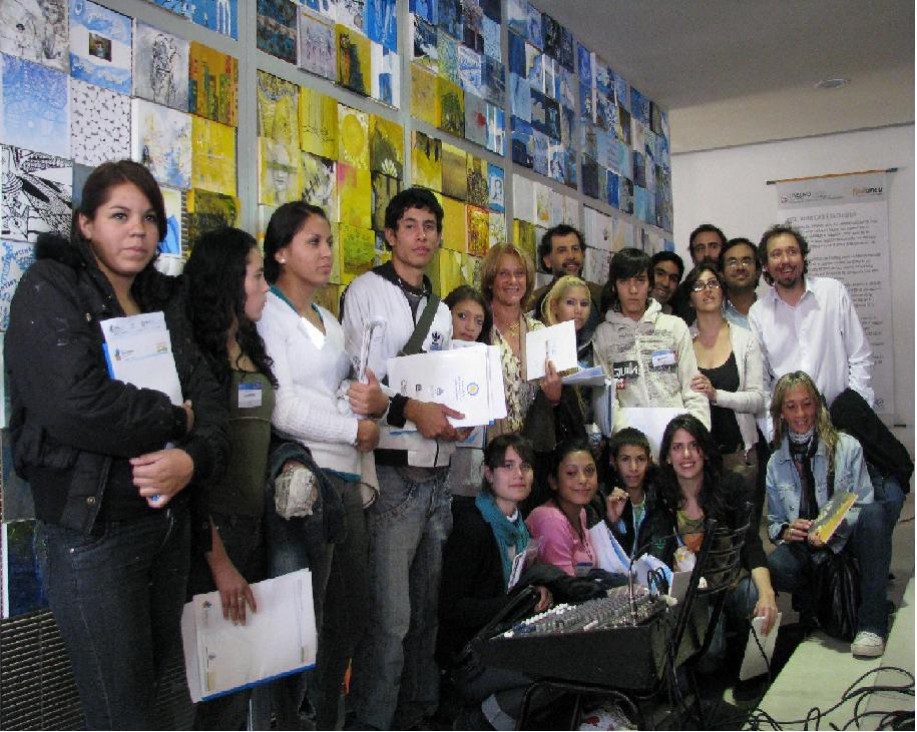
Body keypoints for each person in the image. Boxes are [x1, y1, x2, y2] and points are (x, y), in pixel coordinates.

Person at [5, 160, 228, 729]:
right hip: (95, 534)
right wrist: (175, 422)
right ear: (85, 224)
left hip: (168, 530)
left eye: (149, 218)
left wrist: (191, 457)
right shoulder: (50, 287)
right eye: (119, 216)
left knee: (159, 698)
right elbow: (76, 405)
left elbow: (213, 407)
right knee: (120, 713)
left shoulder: (162, 302)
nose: (138, 230)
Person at [340, 187, 464, 731]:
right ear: (390, 235)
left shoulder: (439, 308)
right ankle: (373, 721)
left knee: (425, 617)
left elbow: (439, 381)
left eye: (429, 227)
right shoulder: (366, 291)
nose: (420, 235)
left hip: (439, 474)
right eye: (409, 225)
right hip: (392, 476)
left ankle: (417, 715)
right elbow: (356, 382)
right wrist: (413, 409)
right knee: (389, 621)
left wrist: (458, 411)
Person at [257, 202, 384, 729]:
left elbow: (336, 392)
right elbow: (282, 407)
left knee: (345, 621)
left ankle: (327, 720)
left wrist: (367, 401)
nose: (327, 252)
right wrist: (353, 428)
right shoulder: (269, 313)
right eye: (313, 242)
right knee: (298, 627)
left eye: (329, 241)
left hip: (348, 478)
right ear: (281, 251)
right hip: (305, 484)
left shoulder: (329, 321)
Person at [184, 227, 275, 730]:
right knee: (211, 687)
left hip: (254, 526)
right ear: (227, 280)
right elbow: (193, 473)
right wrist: (218, 561)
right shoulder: (199, 353)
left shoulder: (249, 341)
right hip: (211, 536)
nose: (265, 287)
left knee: (239, 678)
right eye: (258, 275)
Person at [765, 371, 891, 657]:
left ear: (818, 406)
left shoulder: (848, 447)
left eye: (807, 404)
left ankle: (872, 623)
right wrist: (786, 531)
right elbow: (773, 522)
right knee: (776, 564)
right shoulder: (775, 463)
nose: (801, 414)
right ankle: (823, 609)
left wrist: (834, 528)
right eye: (791, 406)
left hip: (844, 541)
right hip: (806, 548)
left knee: (875, 515)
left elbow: (863, 502)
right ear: (781, 412)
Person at [438, 434, 553, 730]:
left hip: (503, 644)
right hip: (470, 658)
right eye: (507, 466)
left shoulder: (519, 526)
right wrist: (514, 604)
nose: (519, 474)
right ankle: (474, 721)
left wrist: (535, 594)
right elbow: (452, 609)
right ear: (488, 473)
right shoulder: (473, 527)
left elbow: (516, 589)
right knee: (554, 672)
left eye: (525, 466)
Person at [651, 414, 778, 665]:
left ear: (705, 452)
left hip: (730, 586)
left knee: (754, 595)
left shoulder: (730, 486)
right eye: (677, 447)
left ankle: (750, 663)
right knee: (710, 654)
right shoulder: (662, 497)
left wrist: (767, 593)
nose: (686, 455)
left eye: (694, 446)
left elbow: (751, 544)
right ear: (667, 456)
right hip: (694, 598)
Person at [749, 224, 874, 431]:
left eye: (792, 251)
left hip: (843, 419)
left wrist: (854, 409)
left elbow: (860, 357)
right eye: (776, 254)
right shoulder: (758, 313)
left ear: (802, 256)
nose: (786, 260)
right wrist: (774, 432)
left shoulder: (833, 292)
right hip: (792, 426)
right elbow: (759, 381)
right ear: (765, 264)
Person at [482, 242, 567, 511]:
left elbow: (556, 402)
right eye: (503, 274)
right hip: (489, 454)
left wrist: (554, 397)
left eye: (519, 274)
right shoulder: (479, 330)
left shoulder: (540, 332)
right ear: (490, 280)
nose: (512, 281)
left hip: (531, 455)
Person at [592, 248, 710, 433]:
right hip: (630, 443)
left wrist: (696, 434)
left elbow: (693, 388)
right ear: (614, 286)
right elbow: (605, 398)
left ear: (650, 284)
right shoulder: (603, 334)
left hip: (678, 438)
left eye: (640, 281)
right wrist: (625, 438)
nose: (632, 290)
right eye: (624, 281)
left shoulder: (674, 327)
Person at [686, 264, 765, 508]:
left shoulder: (745, 339)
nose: (707, 290)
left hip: (739, 454)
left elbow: (758, 399)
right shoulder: (682, 340)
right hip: (696, 458)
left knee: (743, 534)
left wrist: (716, 395)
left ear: (722, 291)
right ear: (690, 299)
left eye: (713, 284)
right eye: (698, 286)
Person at [443, 285, 491, 505]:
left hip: (473, 465)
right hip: (438, 462)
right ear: (446, 315)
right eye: (462, 316)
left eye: (479, 321)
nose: (470, 327)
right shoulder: (432, 356)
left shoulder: (487, 361)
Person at [526, 439, 601, 576]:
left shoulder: (582, 513)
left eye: (589, 471)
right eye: (571, 473)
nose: (583, 480)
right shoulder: (550, 520)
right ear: (553, 481)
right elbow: (565, 586)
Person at [531, 224, 604, 341]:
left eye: (575, 249)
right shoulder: (535, 301)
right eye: (562, 251)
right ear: (547, 261)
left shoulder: (600, 295)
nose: (571, 256)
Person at [603, 428, 658, 557]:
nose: (633, 468)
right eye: (625, 459)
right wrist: (611, 522)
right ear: (613, 461)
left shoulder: (658, 504)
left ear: (649, 461)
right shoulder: (603, 499)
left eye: (640, 459)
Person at [670, 224, 727, 324]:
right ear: (692, 256)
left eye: (713, 246)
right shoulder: (681, 295)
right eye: (700, 249)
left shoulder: (735, 286)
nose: (707, 254)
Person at [718, 237, 761, 329]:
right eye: (732, 263)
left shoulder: (773, 312)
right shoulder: (713, 318)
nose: (740, 268)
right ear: (721, 274)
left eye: (746, 262)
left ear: (758, 271)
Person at [650, 251, 685, 315]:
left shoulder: (677, 321)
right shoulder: (628, 311)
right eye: (660, 274)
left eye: (673, 279)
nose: (665, 283)